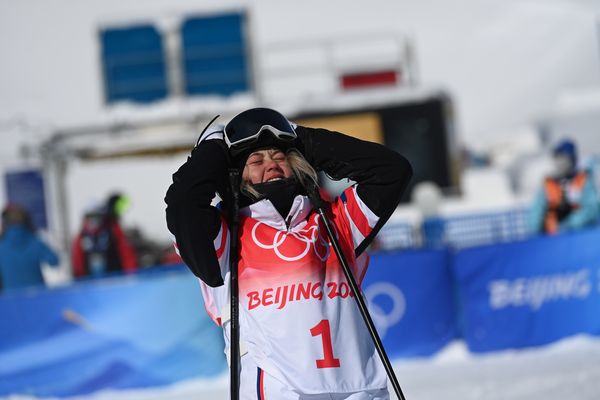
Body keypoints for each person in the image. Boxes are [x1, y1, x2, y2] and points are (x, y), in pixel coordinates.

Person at [165, 108, 412, 399]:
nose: (271, 166)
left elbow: (390, 171)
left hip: (360, 387)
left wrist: (305, 139)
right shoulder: (225, 235)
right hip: (278, 390)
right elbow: (183, 205)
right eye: (256, 160)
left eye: (280, 157)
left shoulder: (335, 223)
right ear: (234, 176)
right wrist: (212, 151)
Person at [528, 139, 600, 235]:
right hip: (553, 238)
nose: (560, 163)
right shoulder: (549, 185)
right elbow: (537, 210)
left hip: (582, 234)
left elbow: (592, 209)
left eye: (564, 159)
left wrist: (569, 224)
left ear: (572, 160)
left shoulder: (584, 180)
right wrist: (534, 232)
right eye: (557, 159)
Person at [71, 193, 137, 278]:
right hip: (90, 284)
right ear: (85, 218)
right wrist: (80, 281)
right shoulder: (80, 238)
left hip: (116, 280)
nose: (93, 221)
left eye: (96, 216)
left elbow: (126, 253)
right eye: (90, 217)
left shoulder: (113, 231)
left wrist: (131, 275)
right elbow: (78, 263)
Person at [0, 204, 59, 292]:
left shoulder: (2, 247)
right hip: (36, 296)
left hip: (10, 300)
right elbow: (54, 261)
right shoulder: (35, 242)